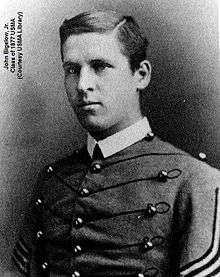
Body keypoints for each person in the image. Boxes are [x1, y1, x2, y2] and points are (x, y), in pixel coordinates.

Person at [11, 10, 220, 277]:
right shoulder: (53, 181)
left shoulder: (196, 182)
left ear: (141, 75)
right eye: (72, 70)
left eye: (100, 66)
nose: (83, 85)